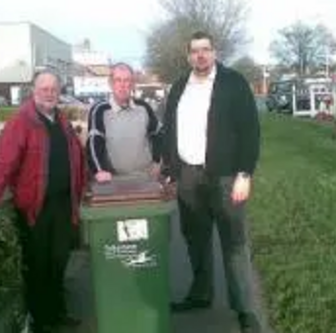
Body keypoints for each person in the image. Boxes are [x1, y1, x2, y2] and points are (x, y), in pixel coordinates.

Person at [161, 31, 262, 333]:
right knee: (196, 240)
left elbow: (250, 131)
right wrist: (170, 167)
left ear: (214, 52)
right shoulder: (180, 86)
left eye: (205, 50)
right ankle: (201, 294)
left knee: (234, 243)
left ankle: (244, 309)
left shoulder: (234, 83)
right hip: (189, 177)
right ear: (188, 55)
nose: (200, 55)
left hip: (226, 176)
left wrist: (245, 174)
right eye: (195, 51)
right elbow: (170, 129)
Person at [0, 71, 86, 333]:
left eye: (53, 89)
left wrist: (90, 184)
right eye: (44, 88)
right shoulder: (22, 122)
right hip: (35, 209)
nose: (50, 93)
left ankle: (57, 312)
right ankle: (41, 319)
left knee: (59, 261)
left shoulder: (61, 121)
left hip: (63, 206)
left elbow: (77, 160)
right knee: (38, 265)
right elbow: (3, 163)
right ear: (33, 91)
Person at [86, 62, 163, 182]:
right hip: (114, 180)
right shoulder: (100, 110)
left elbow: (157, 134)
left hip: (145, 178)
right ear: (111, 84)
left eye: (127, 80)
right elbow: (94, 142)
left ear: (132, 84)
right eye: (118, 80)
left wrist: (157, 161)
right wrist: (99, 170)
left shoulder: (143, 107)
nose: (123, 85)